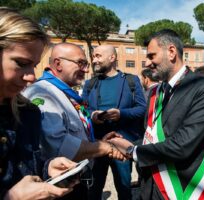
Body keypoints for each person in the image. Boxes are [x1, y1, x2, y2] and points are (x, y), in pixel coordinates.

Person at [109, 29, 204, 199]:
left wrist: (132, 151)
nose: (147, 63)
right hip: (150, 188)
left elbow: (182, 145)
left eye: (152, 56)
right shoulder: (156, 93)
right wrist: (124, 143)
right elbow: (152, 137)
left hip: (185, 188)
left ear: (171, 52)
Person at [23, 43, 124, 199]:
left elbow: (74, 133)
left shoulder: (63, 92)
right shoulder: (44, 94)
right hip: (61, 188)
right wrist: (107, 147)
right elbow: (60, 147)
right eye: (81, 63)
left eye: (86, 64)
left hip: (73, 181)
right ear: (58, 64)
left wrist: (96, 141)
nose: (86, 69)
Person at [0, 7, 78, 200]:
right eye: (20, 62)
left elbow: (26, 166)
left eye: (34, 65)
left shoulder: (28, 112)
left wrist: (48, 167)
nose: (31, 77)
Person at [81, 45, 146, 200]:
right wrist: (92, 115)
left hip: (122, 145)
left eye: (98, 56)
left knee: (124, 189)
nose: (94, 60)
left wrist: (121, 114)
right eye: (93, 56)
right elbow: (82, 110)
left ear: (112, 58)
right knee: (94, 189)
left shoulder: (131, 80)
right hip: (97, 145)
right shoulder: (90, 84)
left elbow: (142, 108)